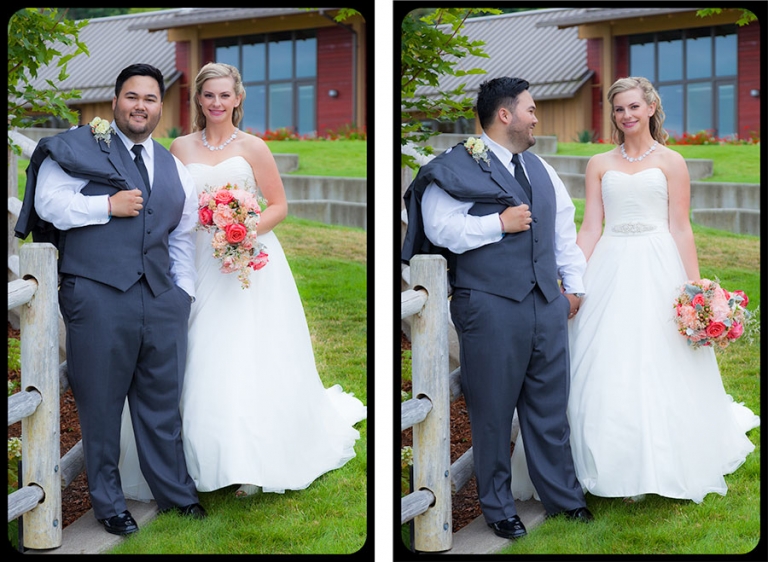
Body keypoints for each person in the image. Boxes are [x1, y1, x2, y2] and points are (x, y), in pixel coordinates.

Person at [118, 62, 366, 501]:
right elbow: (174, 208)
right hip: (196, 261)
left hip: (249, 262)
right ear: (197, 99)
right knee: (197, 351)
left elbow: (279, 206)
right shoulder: (178, 147)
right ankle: (194, 458)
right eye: (208, 95)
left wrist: (245, 231)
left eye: (224, 96)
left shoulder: (254, 147)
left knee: (245, 351)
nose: (216, 103)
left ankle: (250, 459)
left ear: (238, 99)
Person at [510, 76, 760, 505]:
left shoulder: (672, 161)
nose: (626, 115)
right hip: (611, 262)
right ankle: (603, 462)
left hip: (659, 262)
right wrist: (573, 279)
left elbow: (681, 226)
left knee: (659, 358)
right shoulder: (599, 164)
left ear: (649, 108)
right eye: (618, 109)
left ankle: (662, 461)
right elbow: (591, 226)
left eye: (632, 107)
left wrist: (696, 290)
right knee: (601, 357)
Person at [14, 63, 207, 536]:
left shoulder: (171, 164)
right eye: (132, 97)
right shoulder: (78, 146)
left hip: (161, 299)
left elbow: (181, 234)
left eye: (150, 99)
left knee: (162, 405)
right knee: (100, 407)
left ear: (162, 107)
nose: (141, 106)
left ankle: (176, 494)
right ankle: (108, 503)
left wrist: (182, 292)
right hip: (98, 295)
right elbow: (48, 203)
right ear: (115, 101)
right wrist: (107, 205)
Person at [401, 76, 593, 541]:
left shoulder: (541, 168)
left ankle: (564, 500)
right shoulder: (449, 166)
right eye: (530, 109)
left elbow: (563, 231)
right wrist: (498, 224)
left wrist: (576, 289)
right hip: (488, 307)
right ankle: (498, 508)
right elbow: (441, 228)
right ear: (504, 115)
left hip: (547, 305)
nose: (535, 117)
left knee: (549, 410)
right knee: (490, 413)